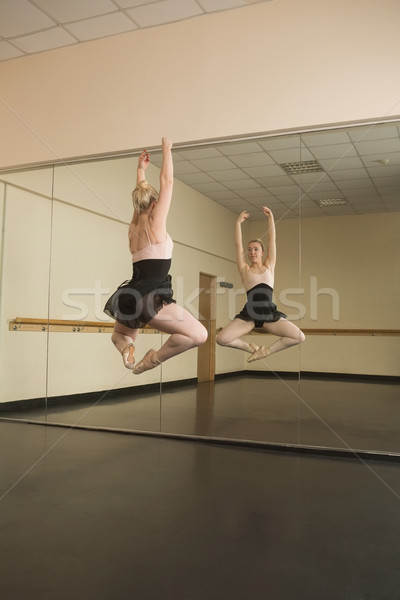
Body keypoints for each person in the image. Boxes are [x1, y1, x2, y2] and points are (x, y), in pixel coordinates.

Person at [104, 137, 207, 374]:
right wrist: (167, 149)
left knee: (120, 335)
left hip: (129, 294)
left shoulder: (132, 229)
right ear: (155, 204)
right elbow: (167, 182)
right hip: (151, 296)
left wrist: (141, 170)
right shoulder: (155, 225)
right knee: (199, 335)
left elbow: (141, 197)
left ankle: (126, 351)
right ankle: (152, 360)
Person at [216, 207, 305, 362]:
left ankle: (266, 351)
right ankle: (251, 348)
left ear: (262, 252)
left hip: (268, 315)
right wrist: (237, 223)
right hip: (249, 316)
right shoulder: (245, 270)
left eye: (256, 249)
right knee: (221, 339)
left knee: (299, 336)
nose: (252, 252)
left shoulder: (269, 266)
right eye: (250, 249)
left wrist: (270, 218)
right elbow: (238, 246)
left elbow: (272, 240)